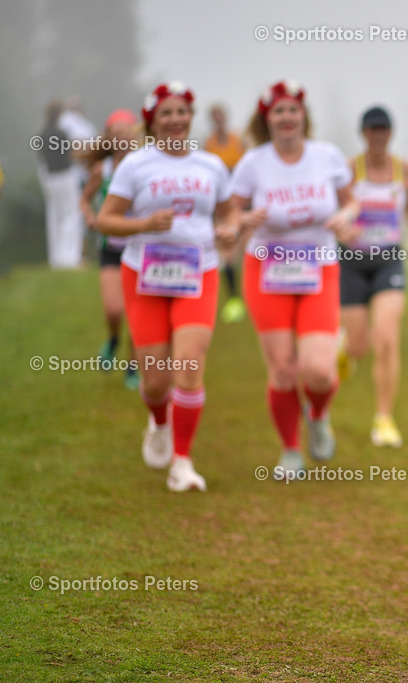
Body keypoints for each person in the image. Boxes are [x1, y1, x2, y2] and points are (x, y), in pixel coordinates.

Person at [97, 81, 239, 492]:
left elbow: (229, 210)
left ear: (190, 118)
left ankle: (182, 461)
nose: (176, 120)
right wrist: (142, 224)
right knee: (156, 380)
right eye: (166, 114)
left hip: (199, 272)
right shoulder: (135, 165)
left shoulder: (210, 164)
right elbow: (107, 220)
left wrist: (227, 230)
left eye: (182, 112)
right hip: (144, 275)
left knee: (190, 366)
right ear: (152, 121)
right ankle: (158, 422)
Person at [230, 80, 358, 476]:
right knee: (284, 368)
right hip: (266, 269)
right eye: (278, 112)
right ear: (266, 120)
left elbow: (351, 200)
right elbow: (230, 215)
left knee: (319, 370)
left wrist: (345, 218)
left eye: (293, 110)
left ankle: (317, 414)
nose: (287, 118)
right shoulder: (253, 162)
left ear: (304, 116)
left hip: (318, 267)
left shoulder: (327, 156)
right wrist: (242, 220)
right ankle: (290, 450)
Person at [337, 106, 408, 448]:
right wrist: (342, 225)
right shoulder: (349, 170)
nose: (378, 136)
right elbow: (337, 211)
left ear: (391, 133)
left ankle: (384, 418)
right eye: (372, 130)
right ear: (363, 133)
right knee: (359, 345)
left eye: (383, 130)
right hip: (352, 261)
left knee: (387, 340)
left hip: (388, 261)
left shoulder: (405, 170)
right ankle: (345, 349)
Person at [80, 109, 142, 390]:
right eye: (116, 135)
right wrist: (91, 217)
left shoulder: (144, 167)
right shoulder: (101, 170)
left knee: (138, 314)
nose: (122, 140)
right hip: (110, 249)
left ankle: (132, 366)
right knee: (114, 310)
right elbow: (84, 200)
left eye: (127, 134)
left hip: (141, 249)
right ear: (109, 138)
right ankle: (114, 338)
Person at [203, 104, 248, 323]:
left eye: (221, 115)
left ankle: (252, 295)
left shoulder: (237, 140)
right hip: (220, 205)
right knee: (228, 253)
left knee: (246, 250)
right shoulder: (208, 144)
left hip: (240, 204)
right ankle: (234, 299)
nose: (219, 119)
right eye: (215, 116)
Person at [37, 100, 86, 268]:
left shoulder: (42, 133)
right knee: (71, 215)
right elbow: (71, 154)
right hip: (65, 176)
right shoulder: (61, 133)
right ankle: (69, 257)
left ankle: (56, 258)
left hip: (49, 178)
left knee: (54, 216)